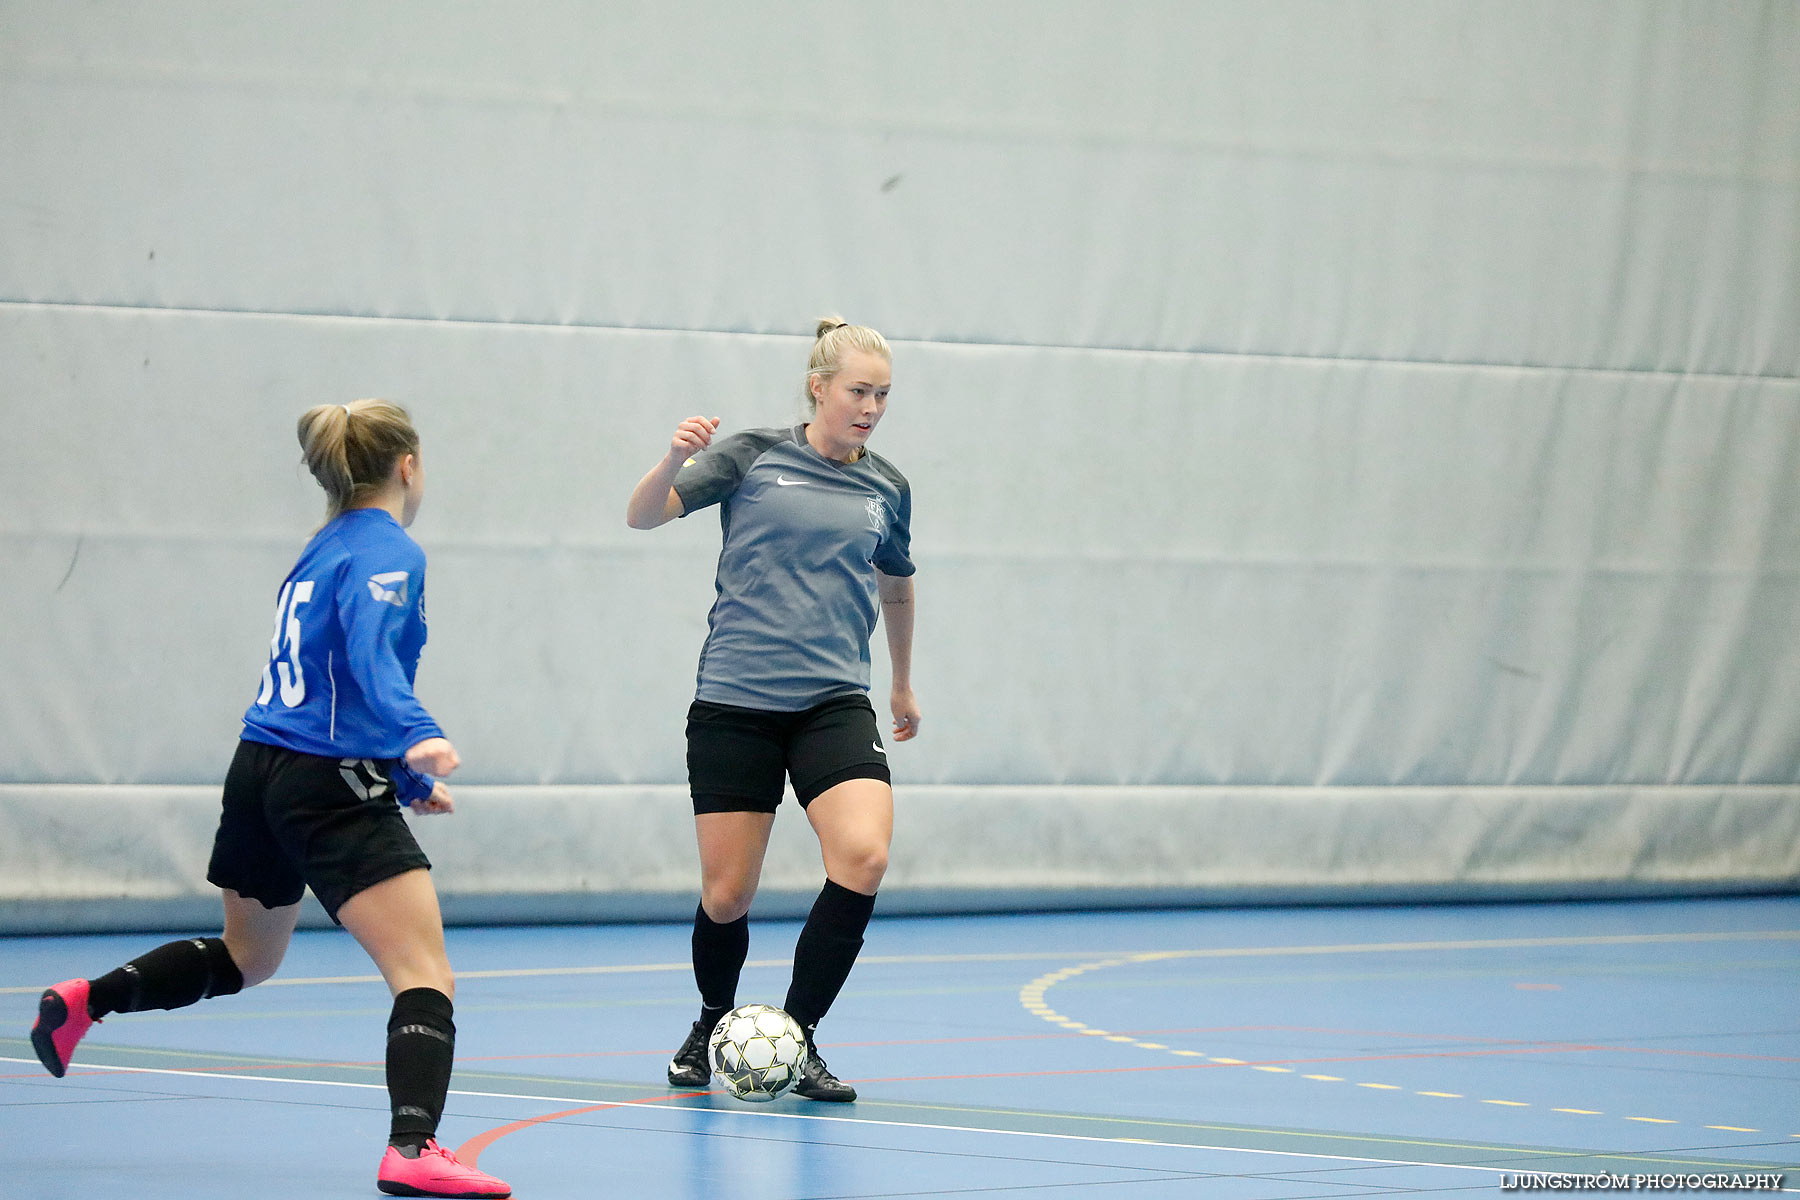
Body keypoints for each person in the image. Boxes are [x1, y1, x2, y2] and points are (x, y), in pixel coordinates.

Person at [29, 399, 510, 1199]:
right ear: (409, 465)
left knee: (249, 957)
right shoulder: (388, 550)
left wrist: (409, 778)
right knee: (423, 970)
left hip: (260, 765)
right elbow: (365, 657)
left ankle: (89, 1000)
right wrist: (417, 735)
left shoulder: (320, 548)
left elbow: (323, 677)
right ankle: (412, 1147)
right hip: (325, 778)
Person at [626, 317, 920, 1103]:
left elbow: (896, 582)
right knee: (728, 896)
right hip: (735, 702)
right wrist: (673, 461)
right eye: (859, 390)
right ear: (819, 387)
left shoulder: (886, 485)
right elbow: (643, 514)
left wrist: (899, 682)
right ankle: (711, 1020)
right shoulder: (753, 456)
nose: (871, 407)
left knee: (863, 857)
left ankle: (797, 1038)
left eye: (883, 394)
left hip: (832, 701)